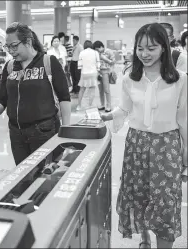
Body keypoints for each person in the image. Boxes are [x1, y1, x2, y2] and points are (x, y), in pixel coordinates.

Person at [101, 23, 187, 249]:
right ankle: (144, 239)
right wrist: (105, 116)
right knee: (138, 195)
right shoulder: (130, 78)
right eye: (140, 48)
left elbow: (184, 120)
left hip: (167, 146)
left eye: (151, 48)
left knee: (165, 201)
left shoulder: (180, 79)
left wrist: (186, 157)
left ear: (164, 48)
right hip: (136, 144)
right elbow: (124, 110)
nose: (145, 54)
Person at [0, 22, 71, 165]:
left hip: (44, 131)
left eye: (14, 46)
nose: (10, 50)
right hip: (16, 133)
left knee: (44, 179)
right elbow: (2, 98)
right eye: (8, 46)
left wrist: (66, 131)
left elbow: (64, 97)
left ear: (28, 41)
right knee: (22, 176)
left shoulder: (48, 62)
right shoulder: (10, 66)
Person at [76, 40, 100, 111]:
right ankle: (89, 106)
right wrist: (97, 72)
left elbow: (79, 66)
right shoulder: (95, 53)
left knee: (82, 90)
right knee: (92, 90)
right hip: (93, 73)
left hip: (84, 73)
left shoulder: (82, 52)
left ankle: (79, 106)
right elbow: (98, 64)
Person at [93, 40, 115, 112]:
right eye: (95, 50)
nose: (97, 51)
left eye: (97, 49)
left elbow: (113, 62)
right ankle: (102, 104)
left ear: (101, 47)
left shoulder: (109, 52)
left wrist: (104, 58)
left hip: (106, 72)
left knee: (106, 89)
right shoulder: (96, 53)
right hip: (98, 72)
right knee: (100, 90)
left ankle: (108, 105)